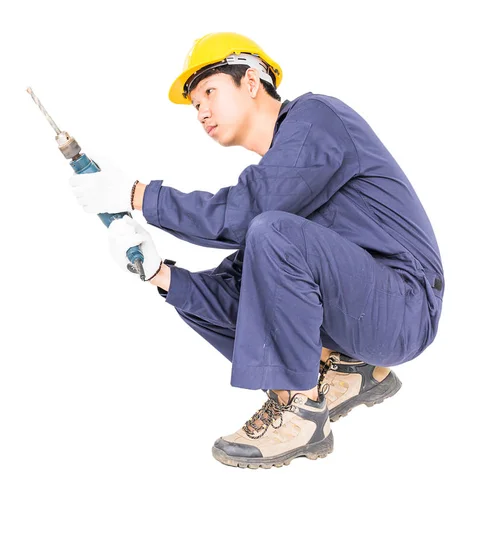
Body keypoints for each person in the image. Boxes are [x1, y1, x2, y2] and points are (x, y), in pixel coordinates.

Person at [69, 32, 445, 469]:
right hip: (366, 315)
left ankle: (301, 411)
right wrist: (158, 273)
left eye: (208, 91)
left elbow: (252, 211)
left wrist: (137, 195)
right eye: (194, 105)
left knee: (268, 230)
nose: (201, 110)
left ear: (251, 81)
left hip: (406, 303)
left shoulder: (316, 118)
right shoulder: (285, 197)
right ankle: (350, 370)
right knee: (258, 258)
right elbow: (243, 289)